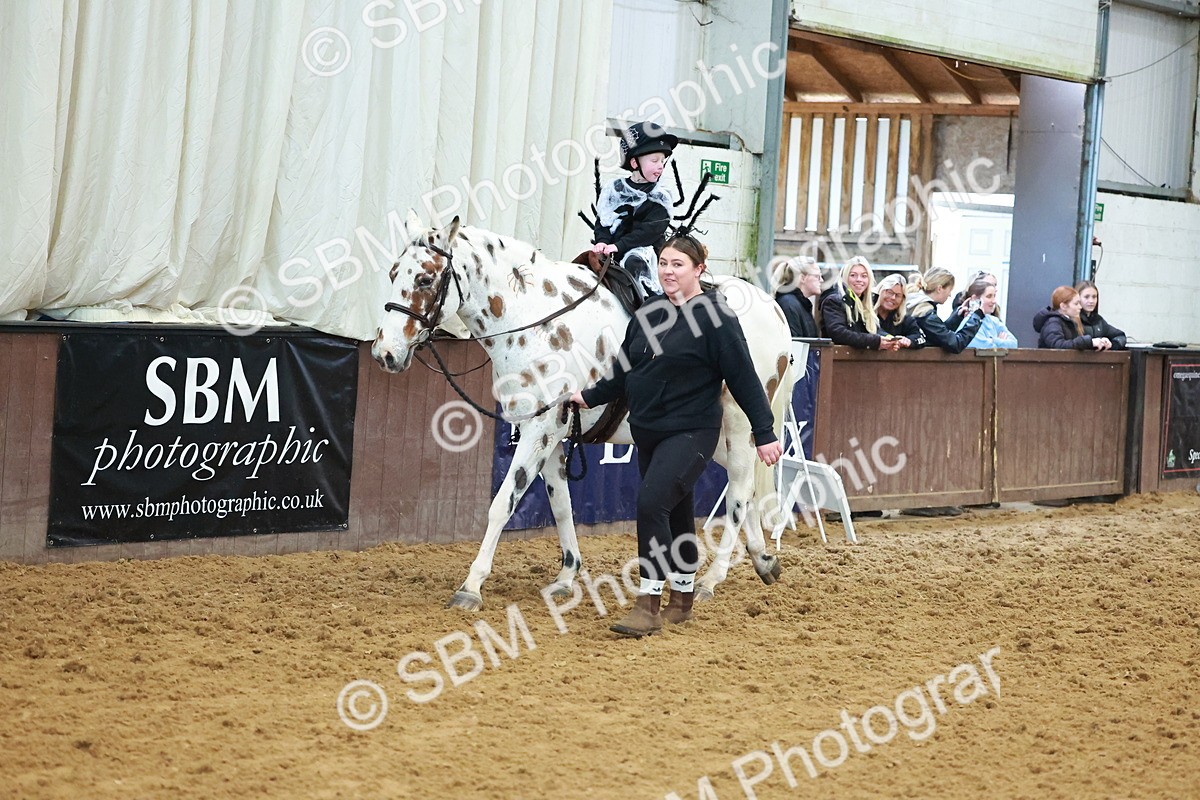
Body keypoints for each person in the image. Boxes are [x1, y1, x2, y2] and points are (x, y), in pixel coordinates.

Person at [569, 235, 783, 638]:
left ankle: (648, 604)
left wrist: (765, 431)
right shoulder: (649, 313)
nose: (668, 271)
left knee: (652, 503)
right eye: (664, 263)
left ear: (699, 269)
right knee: (678, 511)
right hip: (648, 430)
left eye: (678, 265)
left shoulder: (717, 318)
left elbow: (743, 379)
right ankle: (682, 600)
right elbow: (624, 370)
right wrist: (589, 396)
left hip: (692, 430)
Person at [591, 121, 679, 299]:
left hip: (645, 251)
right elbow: (604, 220)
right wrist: (602, 240)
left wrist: (618, 246)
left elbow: (648, 232)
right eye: (654, 161)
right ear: (634, 163)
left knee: (635, 261)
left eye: (662, 161)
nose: (660, 166)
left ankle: (648, 312)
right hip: (612, 249)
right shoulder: (614, 189)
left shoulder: (661, 197)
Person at [818, 256, 903, 351]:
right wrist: (876, 341)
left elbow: (872, 329)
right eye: (853, 275)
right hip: (836, 360)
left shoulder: (864, 300)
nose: (859, 279)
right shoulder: (834, 300)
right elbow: (838, 333)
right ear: (845, 277)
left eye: (864, 276)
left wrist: (889, 339)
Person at [905, 267, 983, 353]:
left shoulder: (915, 304)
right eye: (949, 290)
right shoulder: (925, 314)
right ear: (939, 289)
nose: (949, 295)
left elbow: (938, 334)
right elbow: (956, 344)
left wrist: (957, 316)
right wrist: (977, 316)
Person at [1034, 286, 1112, 350]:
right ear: (1063, 306)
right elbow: (1058, 346)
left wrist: (1098, 343)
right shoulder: (1053, 323)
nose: (1080, 307)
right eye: (1076, 304)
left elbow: (1073, 345)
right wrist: (1089, 342)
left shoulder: (1068, 322)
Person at [956, 279, 1018, 349]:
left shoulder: (995, 321)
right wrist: (1000, 341)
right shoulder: (969, 322)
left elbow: (1014, 344)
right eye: (989, 296)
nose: (994, 301)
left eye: (994, 296)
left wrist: (993, 340)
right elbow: (983, 346)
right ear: (975, 299)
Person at [772, 256, 822, 338]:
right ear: (803, 278)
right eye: (817, 276)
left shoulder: (800, 303)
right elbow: (793, 344)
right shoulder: (788, 304)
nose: (821, 280)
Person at [873, 273, 923, 348]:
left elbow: (920, 338)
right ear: (880, 291)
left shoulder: (904, 318)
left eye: (898, 295)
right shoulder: (866, 311)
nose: (893, 297)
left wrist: (909, 341)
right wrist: (889, 338)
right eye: (890, 292)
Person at [1075, 280, 1127, 349]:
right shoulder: (1071, 320)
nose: (1091, 301)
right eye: (1086, 297)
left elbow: (1120, 336)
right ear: (1077, 298)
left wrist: (1111, 345)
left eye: (1094, 297)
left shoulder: (1099, 321)